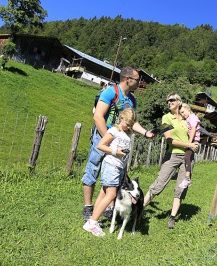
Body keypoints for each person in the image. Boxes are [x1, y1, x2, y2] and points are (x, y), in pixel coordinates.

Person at [81, 66, 153, 221]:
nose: (139, 82)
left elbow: (131, 122)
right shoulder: (110, 92)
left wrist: (146, 132)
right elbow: (98, 116)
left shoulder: (132, 99)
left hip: (118, 141)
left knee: (114, 173)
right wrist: (107, 139)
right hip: (103, 137)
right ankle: (88, 208)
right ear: (128, 79)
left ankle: (109, 207)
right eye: (137, 79)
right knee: (93, 169)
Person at [143, 93, 199, 229]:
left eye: (172, 100)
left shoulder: (187, 118)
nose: (169, 102)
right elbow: (169, 140)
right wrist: (188, 145)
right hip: (172, 155)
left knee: (181, 188)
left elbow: (195, 131)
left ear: (179, 102)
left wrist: (195, 145)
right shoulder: (167, 117)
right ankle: (139, 209)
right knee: (159, 184)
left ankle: (172, 218)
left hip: (187, 157)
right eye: (167, 101)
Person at [83, 108, 137, 237]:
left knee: (103, 193)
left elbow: (125, 153)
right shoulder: (114, 130)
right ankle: (91, 223)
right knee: (111, 195)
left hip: (119, 167)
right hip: (111, 165)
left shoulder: (127, 134)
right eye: (127, 123)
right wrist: (115, 152)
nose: (128, 126)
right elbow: (101, 145)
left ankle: (93, 219)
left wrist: (124, 168)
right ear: (121, 118)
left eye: (131, 125)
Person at [178, 103, 201, 188]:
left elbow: (193, 130)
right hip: (192, 140)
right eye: (181, 113)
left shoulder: (192, 118)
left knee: (187, 157)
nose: (183, 114)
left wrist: (189, 143)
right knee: (187, 158)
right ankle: (186, 177)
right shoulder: (188, 118)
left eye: (183, 112)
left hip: (194, 141)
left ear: (188, 108)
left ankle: (187, 179)